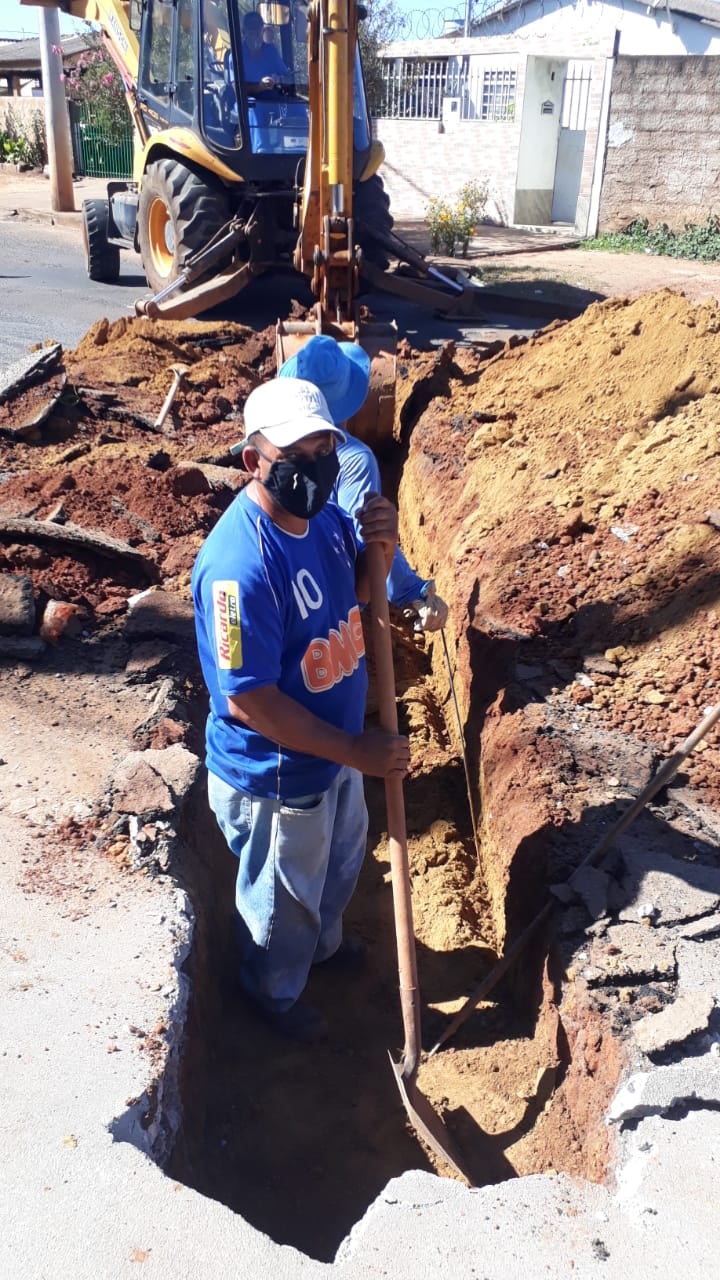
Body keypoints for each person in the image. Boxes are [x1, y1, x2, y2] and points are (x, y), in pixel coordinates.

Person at [191, 377, 410, 1043]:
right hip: (278, 776)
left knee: (342, 862)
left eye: (323, 451)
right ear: (252, 460)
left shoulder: (324, 523)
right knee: (284, 901)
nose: (313, 468)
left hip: (335, 753)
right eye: (296, 455)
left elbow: (365, 592)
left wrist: (385, 548)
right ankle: (273, 994)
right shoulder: (237, 569)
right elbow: (249, 699)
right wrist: (355, 751)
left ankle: (324, 949)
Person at [278, 335, 449, 632]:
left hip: (289, 595)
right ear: (350, 399)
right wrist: (412, 591)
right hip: (335, 606)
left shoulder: (275, 449)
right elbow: (370, 538)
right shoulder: (354, 459)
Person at [239, 9, 290, 90]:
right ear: (243, 31)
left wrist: (278, 79)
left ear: (262, 29)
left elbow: (286, 76)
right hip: (246, 102)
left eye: (257, 26)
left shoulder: (270, 50)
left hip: (273, 100)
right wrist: (260, 86)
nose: (254, 31)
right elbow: (236, 88)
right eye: (250, 27)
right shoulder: (237, 55)